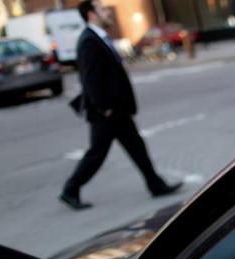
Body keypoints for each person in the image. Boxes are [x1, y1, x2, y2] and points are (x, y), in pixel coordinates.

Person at [60, 0, 181, 210]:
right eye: (102, 9)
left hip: (117, 110)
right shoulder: (89, 40)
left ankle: (155, 184)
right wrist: (104, 107)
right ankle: (70, 190)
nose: (108, 12)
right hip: (106, 112)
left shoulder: (99, 37)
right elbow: (90, 79)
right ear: (91, 14)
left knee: (136, 147)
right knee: (97, 153)